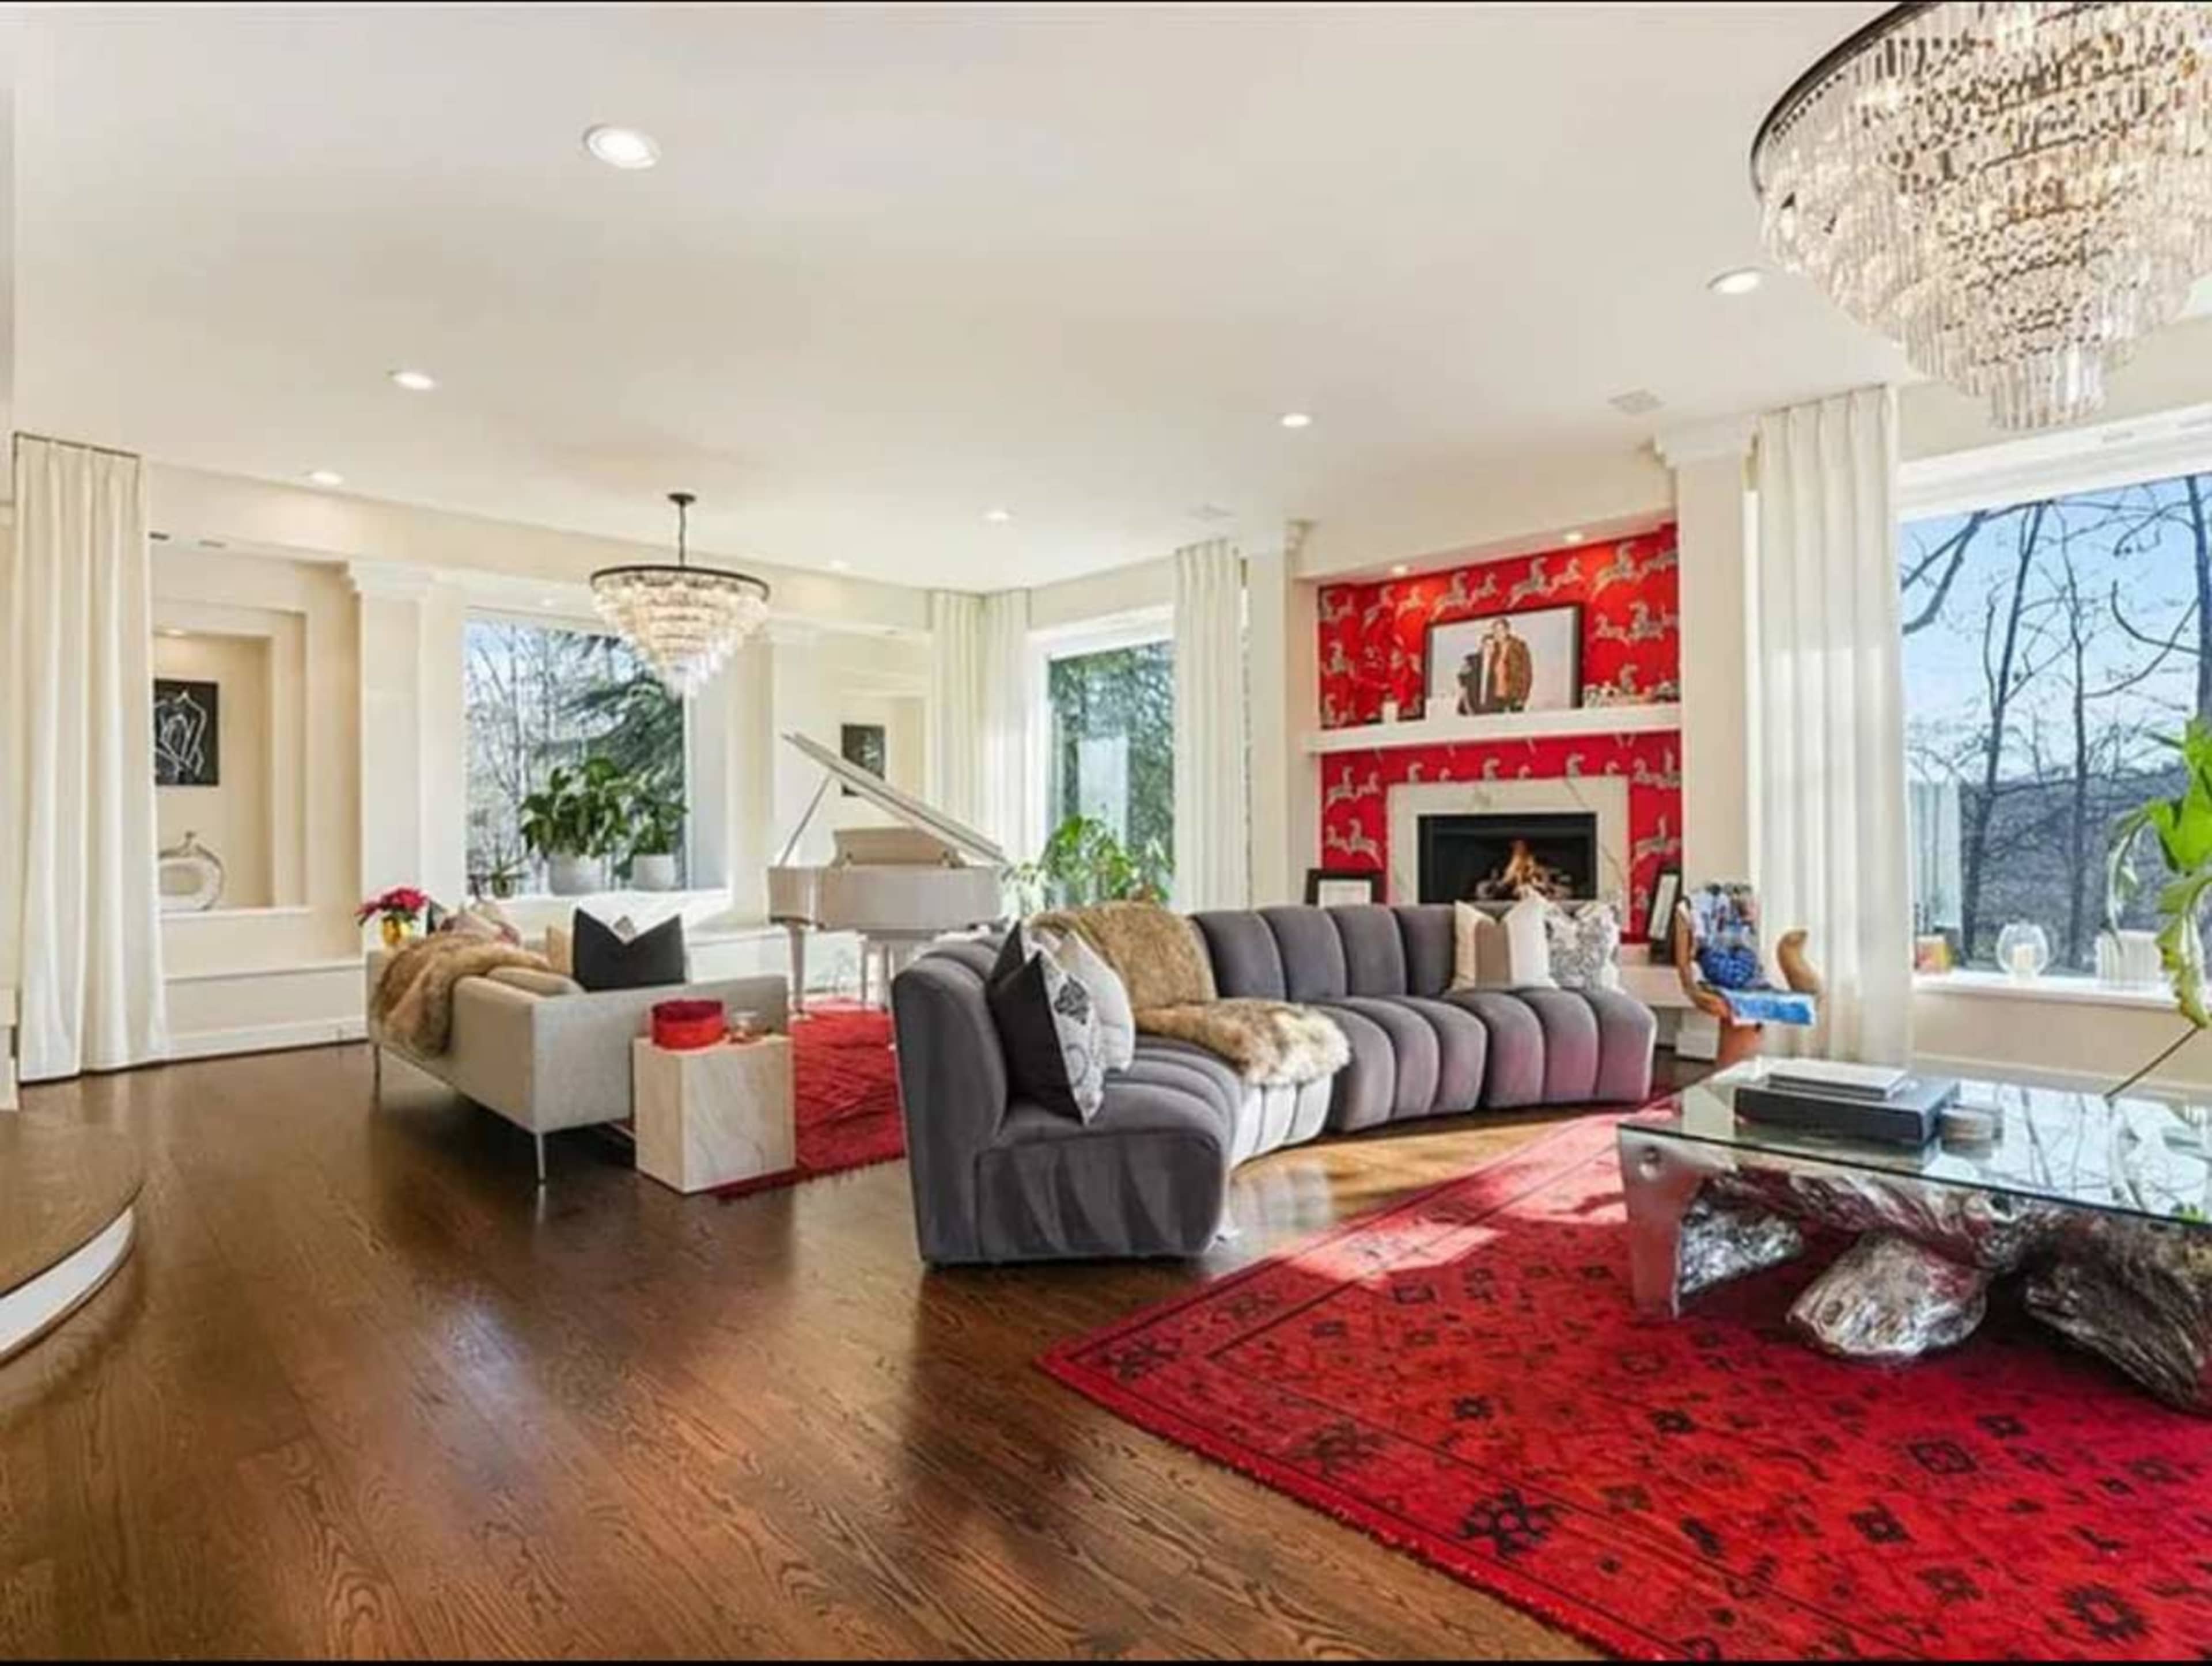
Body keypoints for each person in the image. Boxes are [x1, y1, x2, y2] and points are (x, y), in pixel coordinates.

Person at [1457, 616, 1532, 714]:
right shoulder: (1494, 648)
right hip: (1497, 698)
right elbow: (1481, 661)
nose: (1498, 634)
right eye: (1496, 631)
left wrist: (1522, 697)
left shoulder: (1519, 647)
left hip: (1513, 696)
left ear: (1507, 631)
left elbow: (1527, 674)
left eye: (1501, 630)